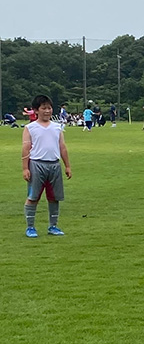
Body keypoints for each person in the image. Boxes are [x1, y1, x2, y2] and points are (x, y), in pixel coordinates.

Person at [22, 95, 72, 238]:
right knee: (33, 197)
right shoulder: (30, 128)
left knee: (54, 197)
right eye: (43, 108)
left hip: (54, 165)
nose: (47, 111)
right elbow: (26, 149)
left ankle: (53, 226)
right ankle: (30, 227)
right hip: (37, 165)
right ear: (36, 110)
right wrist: (25, 168)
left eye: (49, 108)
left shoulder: (57, 127)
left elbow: (62, 147)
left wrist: (67, 166)